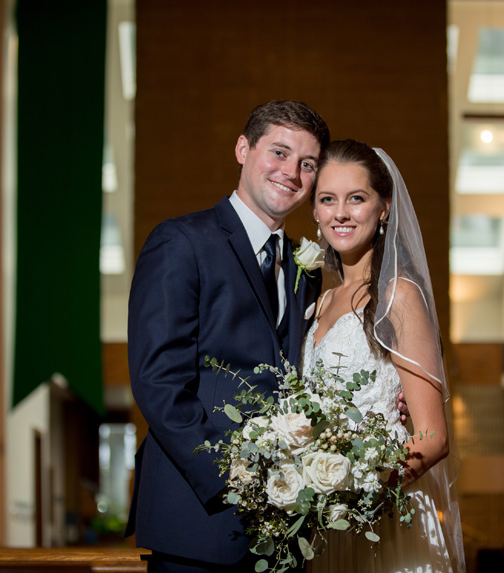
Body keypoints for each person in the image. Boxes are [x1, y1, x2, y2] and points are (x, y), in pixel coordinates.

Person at [126, 100, 329, 572]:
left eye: (307, 164)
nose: (291, 173)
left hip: (283, 531)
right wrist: (233, 481)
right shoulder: (181, 242)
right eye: (278, 153)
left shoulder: (306, 267)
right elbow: (158, 383)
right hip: (199, 520)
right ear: (243, 149)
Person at [300, 140, 466, 572]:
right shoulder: (318, 302)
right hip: (323, 526)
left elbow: (433, 437)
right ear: (315, 211)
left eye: (357, 198)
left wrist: (359, 493)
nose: (341, 213)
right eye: (327, 199)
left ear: (384, 208)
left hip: (385, 518)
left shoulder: (398, 295)